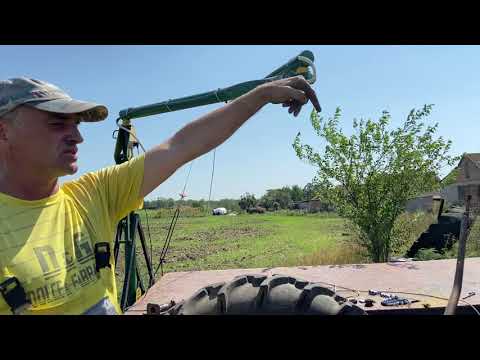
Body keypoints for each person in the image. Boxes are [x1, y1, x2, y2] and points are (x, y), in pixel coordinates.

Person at [0, 76, 321, 315]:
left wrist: (260, 95)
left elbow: (181, 145)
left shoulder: (92, 195)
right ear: (4, 131)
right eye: (58, 123)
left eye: (76, 124)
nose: (78, 137)